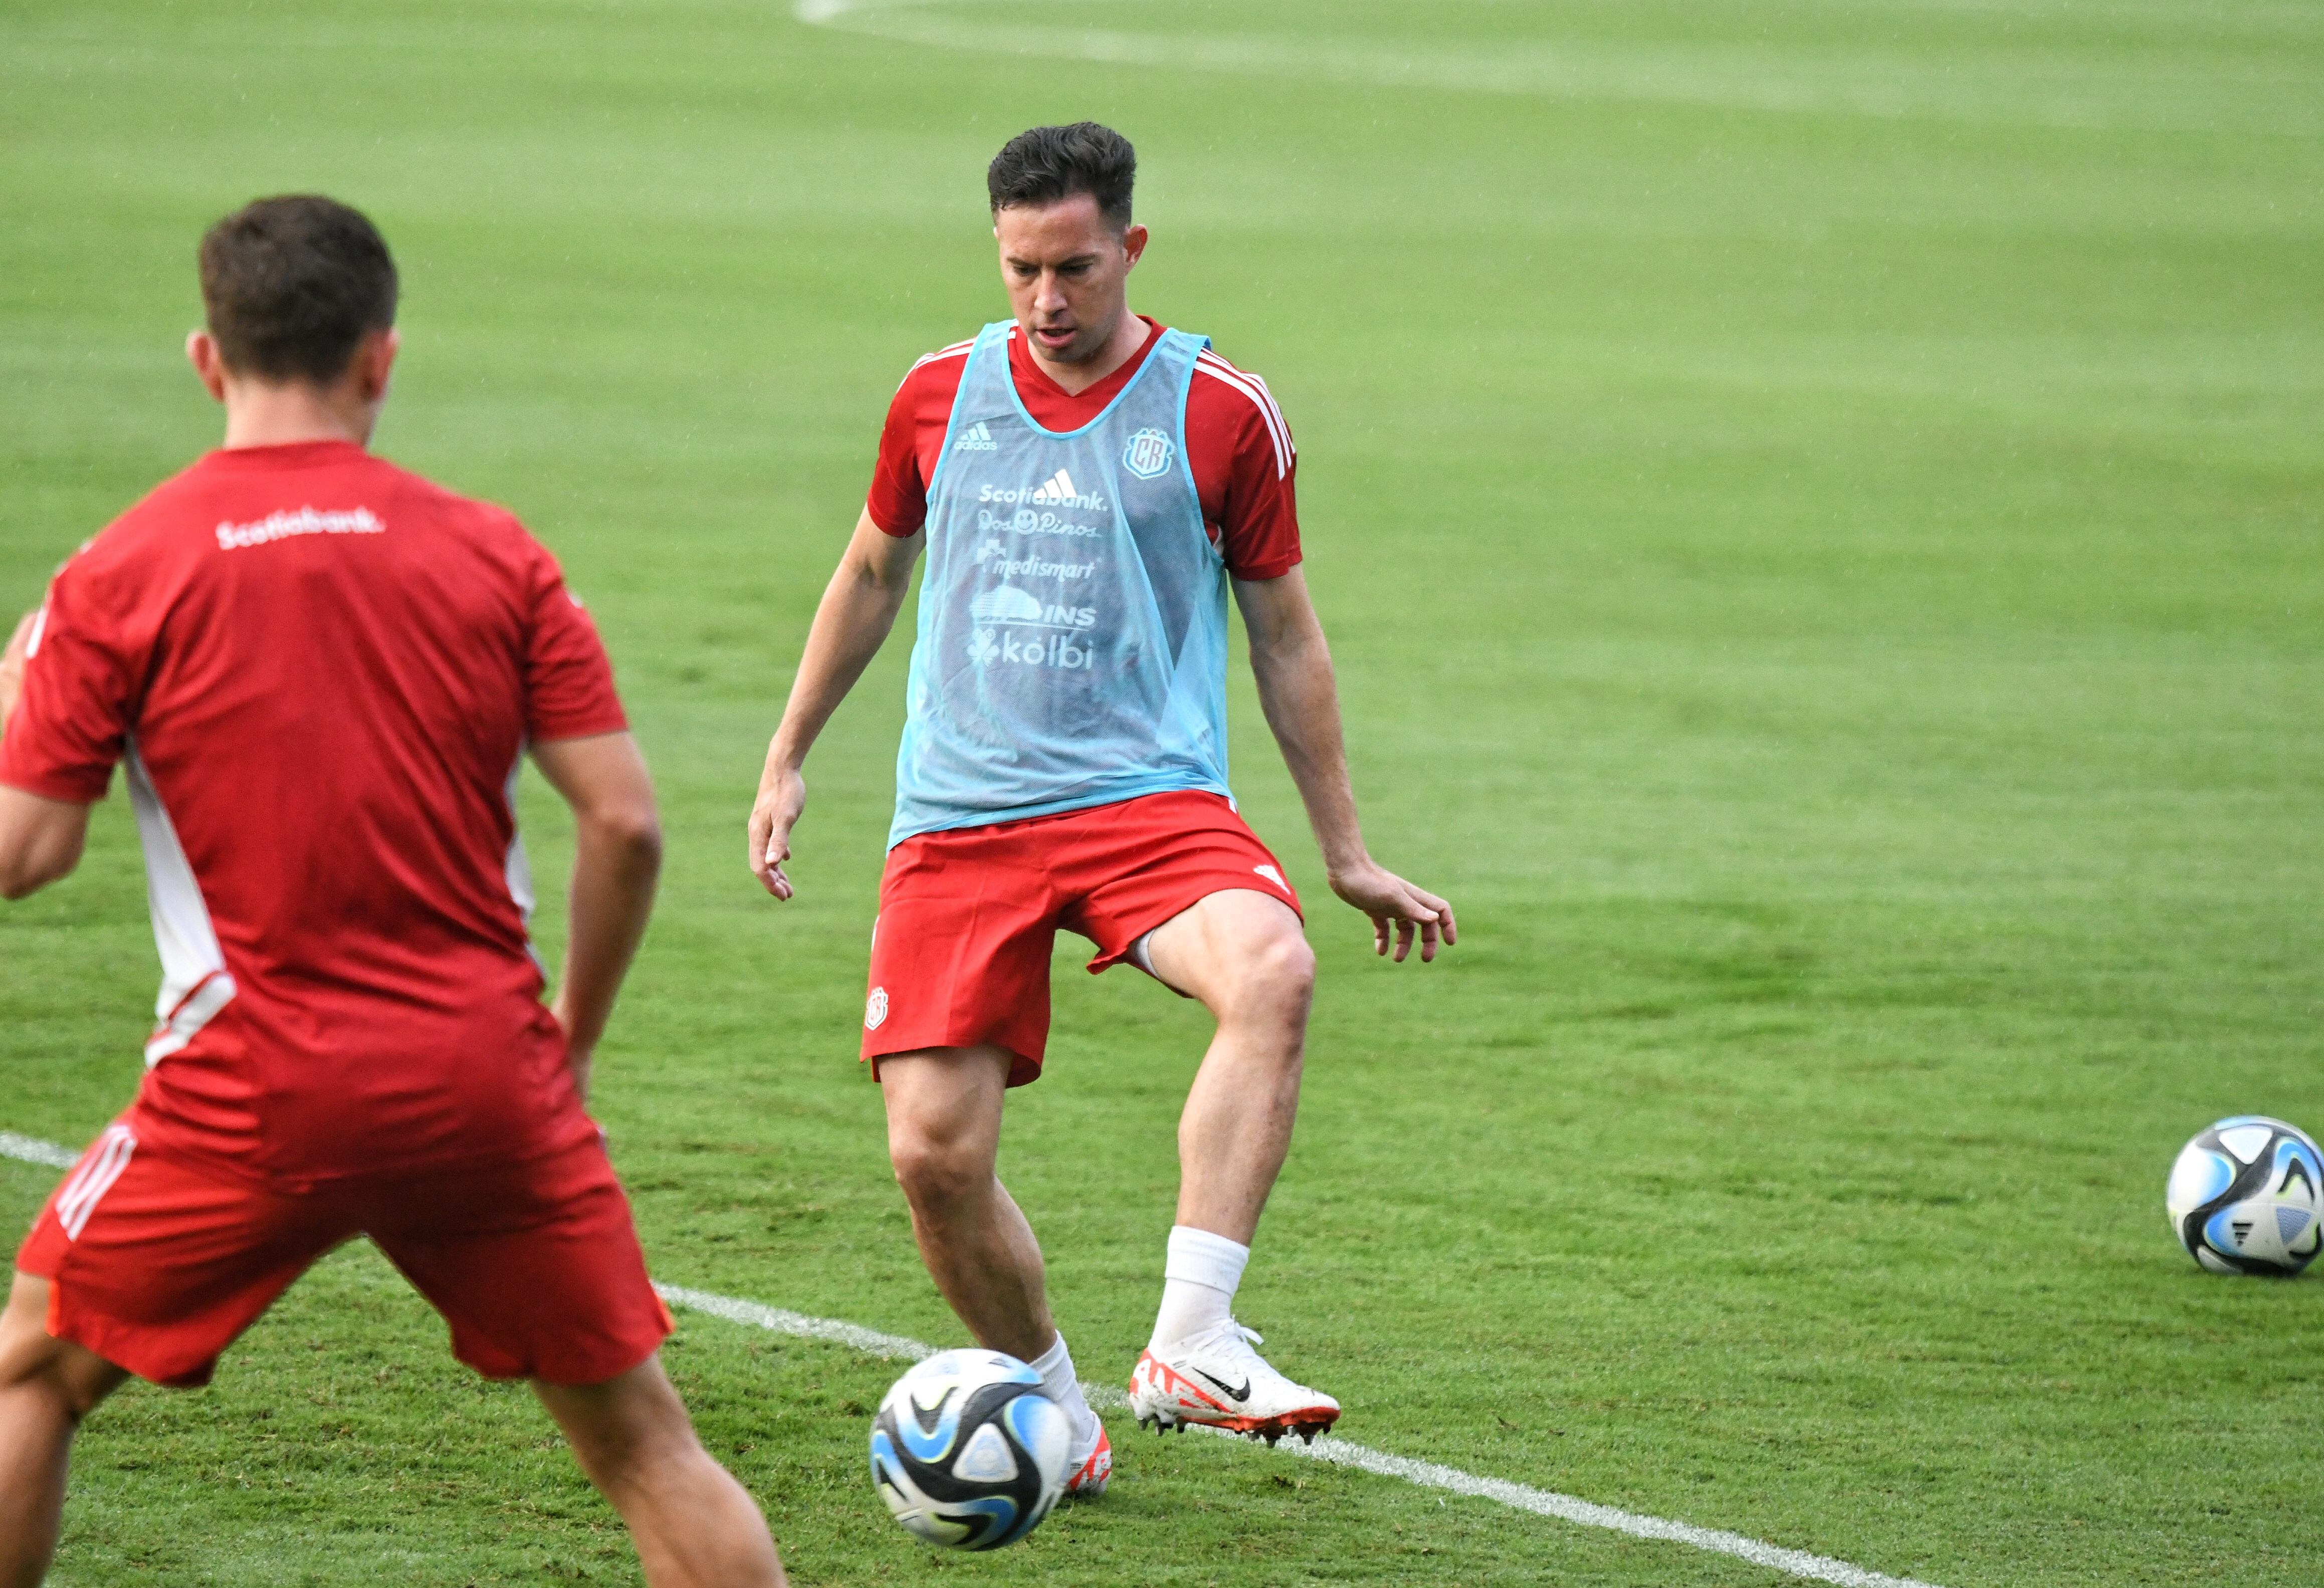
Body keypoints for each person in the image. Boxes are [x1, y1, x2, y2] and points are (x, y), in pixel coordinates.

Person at [0, 196, 784, 1588]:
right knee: (647, 1451)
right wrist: (573, 1041)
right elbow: (628, 823)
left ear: (205, 358)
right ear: (380, 359)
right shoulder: (497, 552)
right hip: (486, 1076)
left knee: (31, 1374)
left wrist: (16, 698)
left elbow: (26, 855)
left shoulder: (118, 570)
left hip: (251, 1080)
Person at [746, 123, 1454, 1494]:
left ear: (1130, 247)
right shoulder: (935, 395)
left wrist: (1344, 849)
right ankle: (1058, 1417)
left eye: (1073, 267)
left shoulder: (1221, 410)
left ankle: (1193, 1334)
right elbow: (870, 573)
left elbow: (1286, 636)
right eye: (1020, 270)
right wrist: (785, 754)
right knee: (932, 1157)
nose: (1047, 301)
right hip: (960, 812)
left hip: (1149, 802)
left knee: (1274, 966)